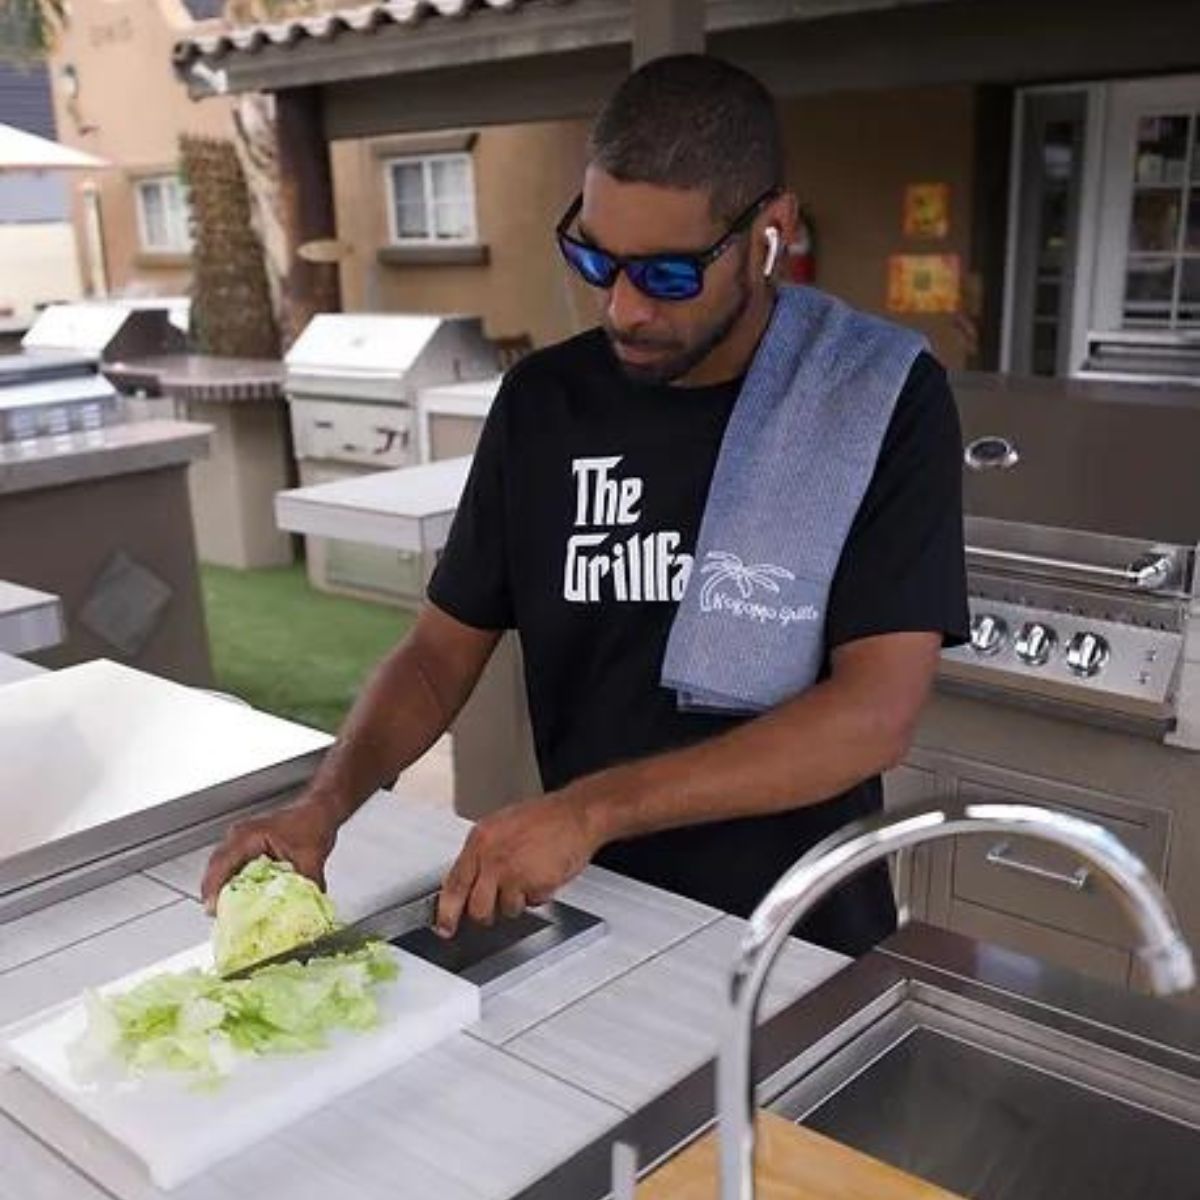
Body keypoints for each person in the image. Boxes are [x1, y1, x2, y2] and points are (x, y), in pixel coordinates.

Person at [202, 54, 968, 957]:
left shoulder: (873, 398)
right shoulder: (542, 404)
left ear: (771, 231)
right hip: (589, 916)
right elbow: (437, 657)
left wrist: (592, 808)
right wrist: (324, 805)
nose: (624, 308)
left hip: (800, 933)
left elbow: (873, 715)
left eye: (669, 276)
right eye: (595, 259)